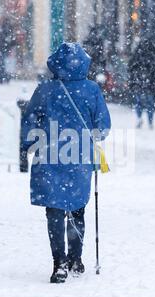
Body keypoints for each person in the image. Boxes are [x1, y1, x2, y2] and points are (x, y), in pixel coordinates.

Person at [22, 43, 111, 284]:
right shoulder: (91, 90)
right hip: (78, 157)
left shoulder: (45, 90)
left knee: (54, 210)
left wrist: (27, 146)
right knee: (76, 208)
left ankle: (59, 262)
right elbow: (102, 127)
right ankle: (76, 258)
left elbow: (30, 120)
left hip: (49, 157)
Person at [128, 38, 155, 129]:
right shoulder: (153, 56)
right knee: (150, 104)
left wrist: (132, 81)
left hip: (138, 82)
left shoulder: (137, 55)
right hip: (150, 84)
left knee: (138, 103)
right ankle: (150, 121)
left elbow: (130, 68)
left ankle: (139, 118)